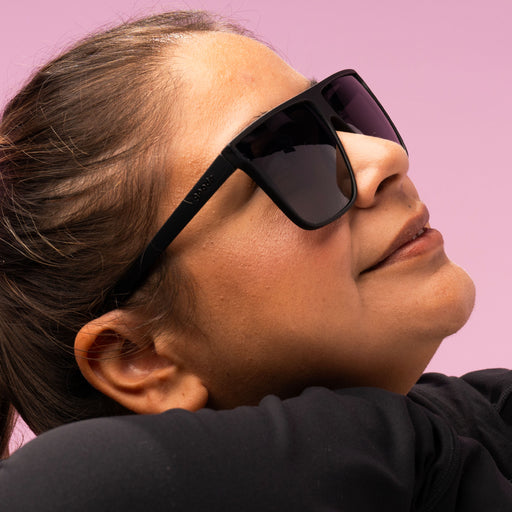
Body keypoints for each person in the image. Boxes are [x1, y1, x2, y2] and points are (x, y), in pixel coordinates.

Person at [0, 10, 511, 510]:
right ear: (140, 358)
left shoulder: (484, 428)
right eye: (286, 155)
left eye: (337, 116)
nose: (383, 157)